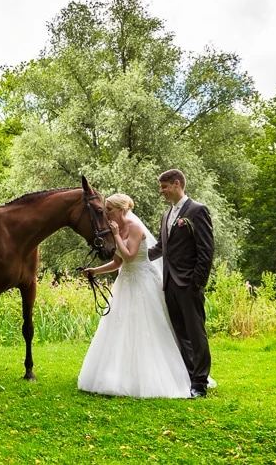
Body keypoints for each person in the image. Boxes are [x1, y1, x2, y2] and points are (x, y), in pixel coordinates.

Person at [77, 193, 191, 398]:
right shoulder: (116, 228)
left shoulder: (135, 227)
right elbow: (118, 263)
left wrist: (117, 235)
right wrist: (95, 271)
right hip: (125, 283)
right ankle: (116, 376)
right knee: (119, 328)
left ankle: (151, 376)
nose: (107, 212)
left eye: (110, 209)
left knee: (145, 328)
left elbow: (129, 256)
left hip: (143, 282)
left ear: (121, 210)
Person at [147, 169, 215, 398]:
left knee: (196, 333)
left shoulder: (197, 211)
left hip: (189, 284)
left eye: (164, 187)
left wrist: (197, 282)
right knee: (180, 333)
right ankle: (189, 374)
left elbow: (206, 251)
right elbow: (161, 249)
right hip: (169, 284)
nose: (161, 191)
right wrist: (133, 258)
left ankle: (200, 384)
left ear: (177, 184)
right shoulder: (166, 216)